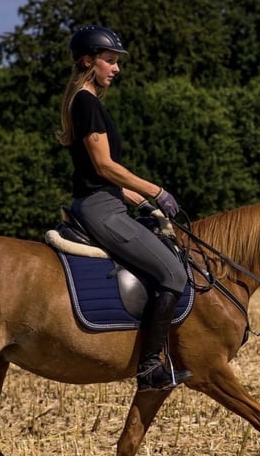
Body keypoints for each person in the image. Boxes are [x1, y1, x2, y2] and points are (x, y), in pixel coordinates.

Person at [57, 25, 191, 392]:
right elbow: (104, 167)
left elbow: (101, 177)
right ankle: (149, 367)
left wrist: (146, 203)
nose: (116, 68)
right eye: (110, 61)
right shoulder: (87, 103)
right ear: (88, 61)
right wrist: (156, 189)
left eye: (117, 62)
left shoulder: (87, 103)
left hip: (104, 201)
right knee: (174, 275)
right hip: (101, 210)